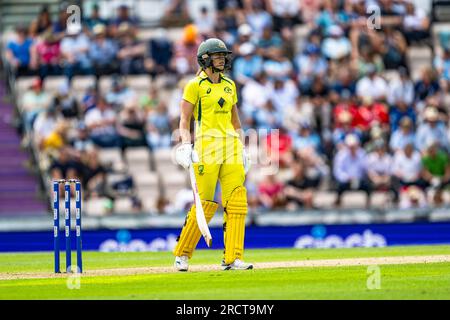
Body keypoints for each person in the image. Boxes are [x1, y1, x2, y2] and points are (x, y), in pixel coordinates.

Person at [173, 38, 252, 271]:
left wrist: (243, 146)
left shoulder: (230, 84)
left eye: (223, 55)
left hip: (231, 147)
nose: (223, 59)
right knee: (204, 204)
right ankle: (182, 254)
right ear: (205, 59)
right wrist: (186, 144)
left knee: (237, 202)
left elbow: (235, 119)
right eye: (218, 56)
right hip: (206, 147)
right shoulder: (194, 85)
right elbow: (184, 120)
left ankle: (232, 258)